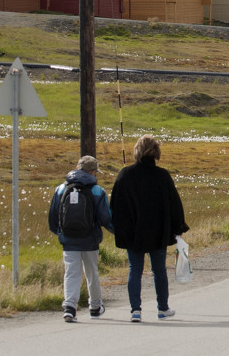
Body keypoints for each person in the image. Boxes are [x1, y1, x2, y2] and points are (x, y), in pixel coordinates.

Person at [111, 135, 189, 322]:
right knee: (159, 270)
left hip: (133, 231)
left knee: (134, 269)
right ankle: (162, 308)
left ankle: (135, 310)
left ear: (137, 151)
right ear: (156, 152)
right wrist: (178, 227)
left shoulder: (125, 174)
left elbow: (115, 206)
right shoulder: (162, 175)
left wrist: (118, 229)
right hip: (158, 230)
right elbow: (174, 204)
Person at [47, 155, 114, 322]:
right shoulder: (98, 191)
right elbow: (106, 218)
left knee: (71, 272)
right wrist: (119, 232)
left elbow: (53, 217)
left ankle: (70, 307)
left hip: (68, 238)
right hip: (90, 239)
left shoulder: (61, 189)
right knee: (92, 272)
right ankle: (95, 307)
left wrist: (61, 233)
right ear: (92, 172)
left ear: (77, 168)